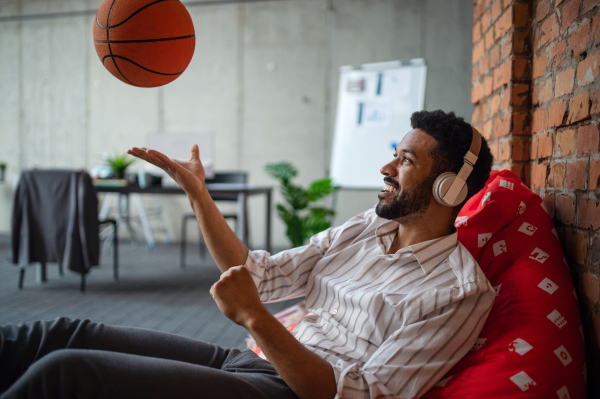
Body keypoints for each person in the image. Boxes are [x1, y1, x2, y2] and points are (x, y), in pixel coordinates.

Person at [0, 110, 494, 399]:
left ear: (449, 188)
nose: (386, 167)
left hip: (286, 392)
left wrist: (256, 318)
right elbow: (264, 276)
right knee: (64, 332)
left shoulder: (458, 291)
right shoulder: (367, 227)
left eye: (405, 160)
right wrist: (199, 194)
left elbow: (356, 396)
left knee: (68, 373)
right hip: (252, 361)